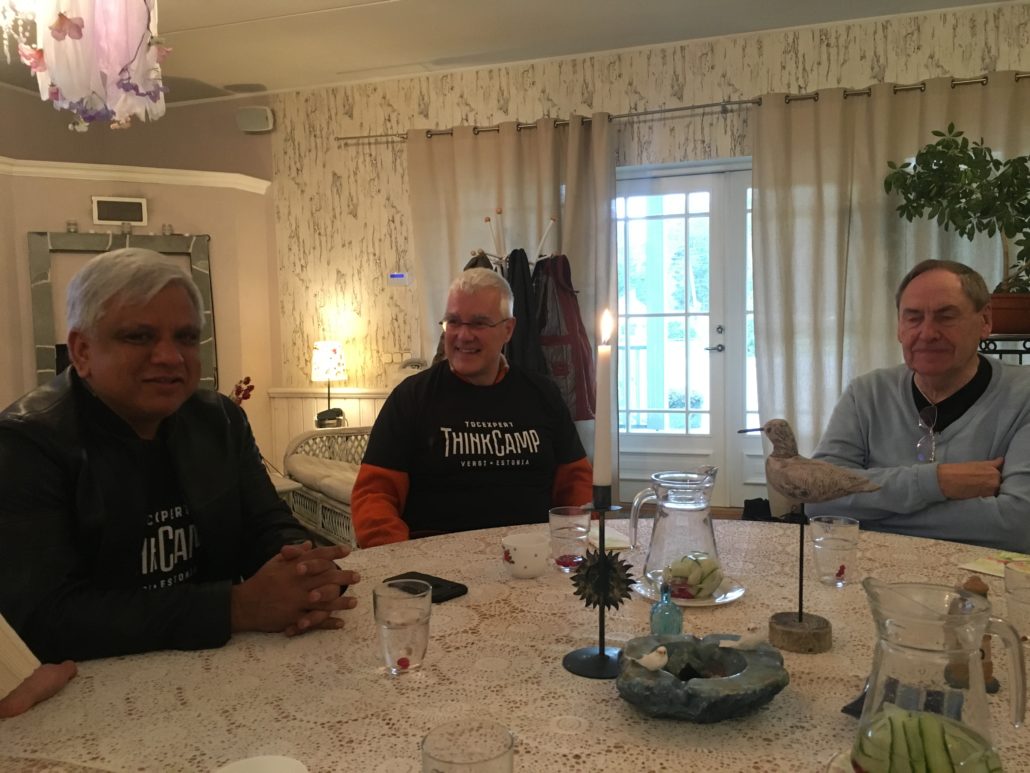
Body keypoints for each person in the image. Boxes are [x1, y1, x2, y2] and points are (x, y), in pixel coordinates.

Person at [0, 248, 360, 663]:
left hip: (221, 664)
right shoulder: (25, 442)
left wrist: (306, 573)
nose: (171, 357)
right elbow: (42, 618)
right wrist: (236, 607)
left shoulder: (220, 419)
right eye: (139, 336)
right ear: (81, 351)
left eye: (186, 337)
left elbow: (265, 525)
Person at [352, 268, 593, 547]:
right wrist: (399, 558)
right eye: (453, 322)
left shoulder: (543, 394)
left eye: (479, 323)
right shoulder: (411, 397)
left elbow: (576, 486)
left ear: (508, 329)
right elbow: (374, 496)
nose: (463, 335)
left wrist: (575, 544)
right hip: (437, 560)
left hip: (534, 555)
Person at [809, 259, 1030, 552]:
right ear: (899, 327)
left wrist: (873, 512)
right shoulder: (866, 393)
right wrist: (937, 482)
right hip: (874, 571)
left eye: (946, 317)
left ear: (985, 321)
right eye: (913, 318)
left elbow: (1018, 526)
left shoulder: (1023, 396)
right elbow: (818, 498)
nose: (927, 333)